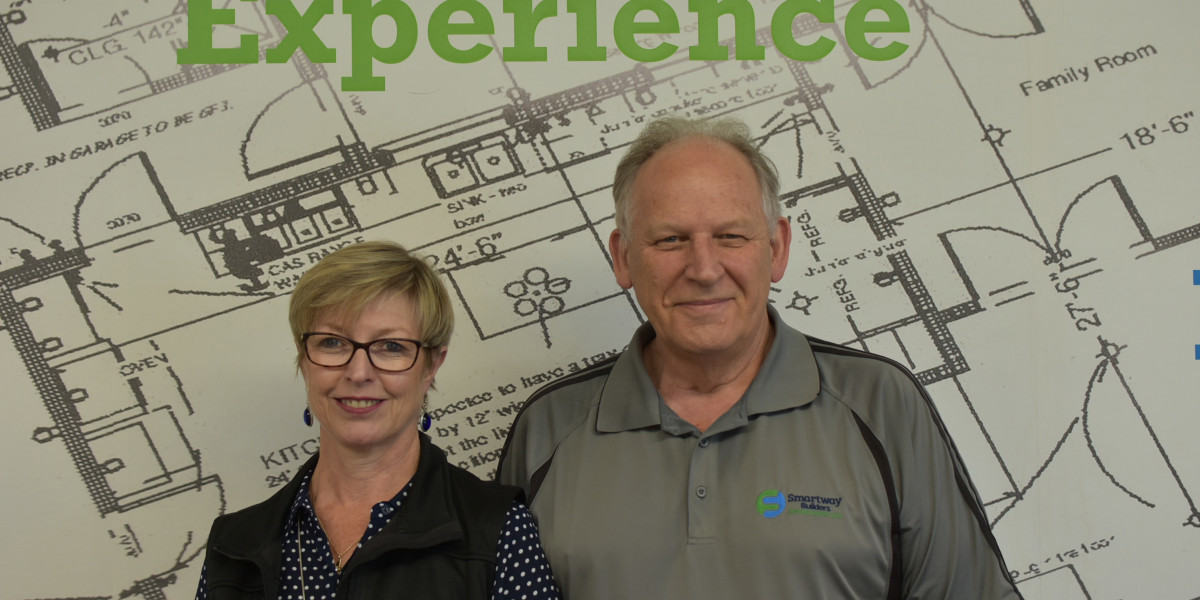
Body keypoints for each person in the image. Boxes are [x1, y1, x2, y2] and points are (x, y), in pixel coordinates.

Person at [496, 116, 1024, 599]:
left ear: (777, 248)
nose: (703, 268)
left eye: (731, 236)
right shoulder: (548, 427)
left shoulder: (881, 404)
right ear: (623, 257)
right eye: (670, 239)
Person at [196, 241, 560, 600]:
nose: (358, 372)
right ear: (304, 358)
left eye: (391, 347)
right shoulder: (233, 545)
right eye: (332, 343)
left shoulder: (498, 530)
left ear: (432, 365)